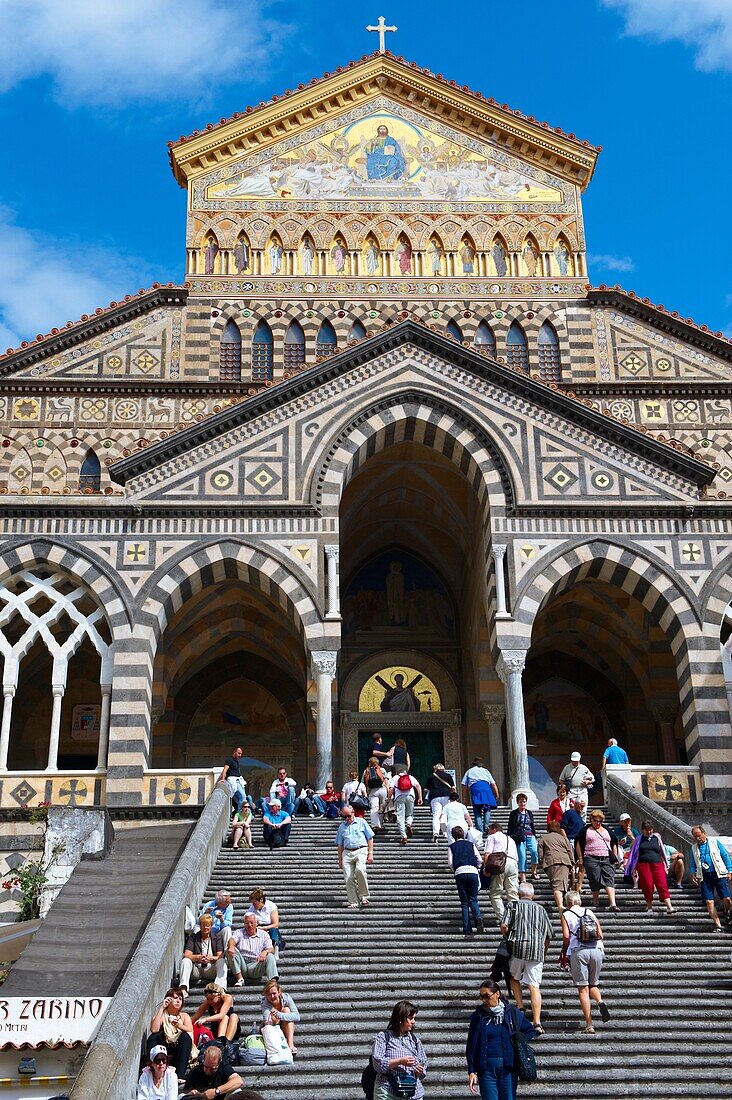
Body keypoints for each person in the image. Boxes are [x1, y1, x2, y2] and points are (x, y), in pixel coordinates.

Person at [465, 978, 536, 1099]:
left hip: (508, 1066)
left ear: (497, 994)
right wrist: (471, 1071)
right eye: (481, 996)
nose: (484, 1000)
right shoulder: (478, 1016)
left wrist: (518, 1040)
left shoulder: (511, 1013)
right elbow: (471, 1045)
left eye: (486, 996)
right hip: (486, 1068)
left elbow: (530, 1030)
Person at [501, 883, 553, 1035]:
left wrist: (506, 936)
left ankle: (520, 1005)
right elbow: (549, 934)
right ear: (533, 896)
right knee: (534, 985)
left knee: (513, 976)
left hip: (517, 948)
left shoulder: (513, 905)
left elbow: (504, 925)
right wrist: (544, 951)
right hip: (537, 950)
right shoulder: (541, 909)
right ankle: (537, 1022)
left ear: (518, 894)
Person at [561, 889, 610, 1034]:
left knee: (583, 988)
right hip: (596, 950)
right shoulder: (589, 912)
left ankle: (589, 1024)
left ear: (568, 902)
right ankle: (600, 1001)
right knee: (593, 984)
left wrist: (565, 948)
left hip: (579, 951)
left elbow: (565, 936)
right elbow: (600, 934)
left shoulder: (566, 914)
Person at [370, 999, 427, 1099]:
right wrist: (400, 1061)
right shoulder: (384, 1037)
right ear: (400, 1018)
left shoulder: (414, 1040)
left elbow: (423, 1062)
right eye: (410, 1018)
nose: (414, 1022)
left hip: (413, 1093)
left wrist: (420, 1071)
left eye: (414, 1018)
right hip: (387, 1091)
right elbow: (377, 1063)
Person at [626, 820, 677, 914]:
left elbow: (662, 851)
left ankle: (669, 906)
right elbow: (634, 854)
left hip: (657, 863)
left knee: (662, 883)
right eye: (646, 830)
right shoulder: (638, 839)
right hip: (643, 865)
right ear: (642, 830)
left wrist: (665, 864)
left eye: (650, 829)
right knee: (648, 885)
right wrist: (633, 867)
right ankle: (649, 907)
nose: (649, 831)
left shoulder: (656, 838)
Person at [575, 809, 619, 912]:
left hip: (607, 858)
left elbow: (614, 843)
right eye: (596, 820)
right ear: (591, 820)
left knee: (609, 879)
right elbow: (578, 843)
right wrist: (580, 858)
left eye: (600, 821)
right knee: (594, 879)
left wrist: (615, 857)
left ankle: (613, 903)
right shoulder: (585, 830)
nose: (598, 823)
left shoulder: (607, 830)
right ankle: (595, 899)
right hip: (590, 858)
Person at [690, 824, 732, 930]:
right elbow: (692, 863)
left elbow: (725, 856)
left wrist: (729, 870)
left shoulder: (715, 842)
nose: (697, 838)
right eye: (695, 836)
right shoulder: (693, 848)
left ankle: (726, 911)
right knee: (709, 901)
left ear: (704, 833)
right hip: (704, 876)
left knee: (727, 899)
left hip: (719, 873)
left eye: (699, 835)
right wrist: (693, 873)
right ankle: (718, 925)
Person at [147, 988, 193, 1082]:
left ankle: (180, 1074)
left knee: (185, 1037)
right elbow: (154, 1029)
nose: (178, 1000)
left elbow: (190, 1030)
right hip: (163, 1052)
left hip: (178, 1051)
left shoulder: (184, 1016)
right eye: (175, 998)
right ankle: (152, 1069)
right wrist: (162, 1008)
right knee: (153, 1037)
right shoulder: (162, 1015)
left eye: (180, 999)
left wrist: (178, 1025)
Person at [335, 804, 374, 908]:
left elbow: (370, 838)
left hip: (361, 849)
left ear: (353, 813)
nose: (347, 819)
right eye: (344, 816)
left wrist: (370, 853)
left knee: (360, 870)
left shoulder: (362, 822)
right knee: (348, 877)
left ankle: (364, 897)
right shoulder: (342, 826)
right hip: (347, 853)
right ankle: (353, 901)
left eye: (348, 816)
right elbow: (340, 844)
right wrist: (340, 859)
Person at [448, 825, 485, 935]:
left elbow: (450, 862)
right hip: (472, 871)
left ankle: (467, 929)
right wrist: (477, 868)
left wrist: (456, 869)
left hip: (460, 872)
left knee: (464, 903)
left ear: (453, 836)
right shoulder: (471, 844)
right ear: (463, 834)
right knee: (473, 899)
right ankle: (478, 917)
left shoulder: (451, 846)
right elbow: (480, 859)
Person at [226, 912, 278, 987]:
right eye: (247, 923)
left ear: (257, 923)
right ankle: (240, 979)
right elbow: (232, 939)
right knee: (230, 949)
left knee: (270, 956)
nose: (249, 925)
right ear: (244, 924)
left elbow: (271, 949)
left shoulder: (264, 934)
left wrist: (265, 951)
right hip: (242, 965)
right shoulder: (239, 932)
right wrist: (231, 946)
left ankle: (273, 983)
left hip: (256, 965)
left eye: (251, 923)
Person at [180, 913, 227, 994]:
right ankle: (183, 989)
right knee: (185, 960)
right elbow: (187, 954)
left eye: (207, 925)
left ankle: (219, 989)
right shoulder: (193, 937)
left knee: (222, 961)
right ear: (200, 926)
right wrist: (198, 957)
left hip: (210, 969)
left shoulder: (216, 937)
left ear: (211, 926)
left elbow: (220, 955)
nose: (205, 927)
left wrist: (211, 958)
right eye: (203, 925)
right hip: (197, 969)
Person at [482, 821, 519, 924]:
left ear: (494, 829)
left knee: (495, 894)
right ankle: (515, 918)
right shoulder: (510, 839)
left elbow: (487, 854)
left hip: (499, 865)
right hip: (513, 864)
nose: (489, 833)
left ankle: (504, 919)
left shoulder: (492, 837)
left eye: (489, 831)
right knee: (512, 893)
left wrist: (486, 868)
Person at [538, 820, 574, 912]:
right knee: (563, 883)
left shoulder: (544, 837)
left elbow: (540, 850)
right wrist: (572, 862)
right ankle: (564, 903)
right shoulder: (564, 838)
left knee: (557, 885)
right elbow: (570, 850)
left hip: (552, 862)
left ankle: (561, 906)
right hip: (565, 862)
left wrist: (541, 860)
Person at [261, 977, 300, 1055]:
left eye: (274, 993)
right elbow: (267, 1022)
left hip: (285, 1024)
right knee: (273, 1018)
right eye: (269, 994)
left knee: (286, 1010)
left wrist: (279, 1015)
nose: (272, 996)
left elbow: (297, 1016)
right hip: (274, 1027)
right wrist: (275, 1020)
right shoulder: (264, 1002)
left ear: (279, 992)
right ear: (266, 995)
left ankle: (290, 1044)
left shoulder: (286, 997)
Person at [461, 758, 500, 835]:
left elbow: (464, 785)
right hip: (486, 789)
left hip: (476, 790)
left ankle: (480, 830)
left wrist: (465, 798)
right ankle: (486, 826)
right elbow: (493, 784)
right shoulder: (485, 771)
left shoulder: (469, 771)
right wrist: (497, 794)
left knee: (477, 811)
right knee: (487, 809)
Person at [507, 792, 538, 882]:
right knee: (522, 855)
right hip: (519, 836)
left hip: (530, 835)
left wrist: (535, 836)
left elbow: (532, 825)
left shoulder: (529, 813)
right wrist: (509, 837)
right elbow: (510, 826)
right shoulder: (514, 813)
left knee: (534, 852)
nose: (522, 804)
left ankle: (534, 871)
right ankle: (523, 875)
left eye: (524, 802)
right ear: (518, 802)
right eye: (521, 802)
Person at [390, 770, 423, 844]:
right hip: (410, 796)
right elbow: (418, 786)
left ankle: (404, 836)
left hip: (399, 797)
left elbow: (391, 789)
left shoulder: (395, 777)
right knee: (410, 814)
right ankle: (408, 823)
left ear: (398, 773)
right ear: (405, 773)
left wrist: (388, 799)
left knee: (400, 817)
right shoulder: (410, 777)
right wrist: (420, 797)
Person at [425, 763, 456, 842]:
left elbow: (426, 789)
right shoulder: (448, 776)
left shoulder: (431, 776)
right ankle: (445, 833)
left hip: (434, 796)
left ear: (435, 769)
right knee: (444, 814)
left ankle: (435, 832)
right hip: (446, 795)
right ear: (443, 768)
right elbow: (453, 787)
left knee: (436, 815)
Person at [247, 887, 282, 954]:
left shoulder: (271, 906)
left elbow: (276, 924)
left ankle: (274, 949)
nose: (253, 905)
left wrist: (264, 928)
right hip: (257, 928)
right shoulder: (252, 908)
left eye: (255, 903)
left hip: (269, 928)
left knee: (274, 930)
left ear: (261, 900)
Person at [363, 756, 389, 834]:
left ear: (369, 763)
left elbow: (364, 782)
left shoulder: (366, 771)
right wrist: (388, 791)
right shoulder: (382, 770)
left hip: (373, 791)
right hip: (382, 789)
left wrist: (366, 792)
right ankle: (380, 824)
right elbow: (386, 780)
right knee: (382, 807)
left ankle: (375, 825)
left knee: (374, 808)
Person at [218, 747, 247, 811]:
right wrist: (222, 779)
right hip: (233, 780)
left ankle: (241, 813)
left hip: (239, 780)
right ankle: (240, 814)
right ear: (234, 752)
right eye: (239, 753)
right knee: (242, 796)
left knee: (243, 798)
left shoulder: (237, 761)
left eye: (241, 754)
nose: (240, 755)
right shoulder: (229, 760)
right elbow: (225, 770)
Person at [612, 812, 639, 879]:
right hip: (622, 849)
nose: (628, 823)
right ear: (621, 822)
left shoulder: (634, 831)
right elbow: (614, 843)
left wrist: (632, 837)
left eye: (629, 821)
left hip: (630, 849)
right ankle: (621, 863)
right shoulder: (617, 831)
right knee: (617, 846)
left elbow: (639, 842)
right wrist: (620, 842)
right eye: (625, 821)